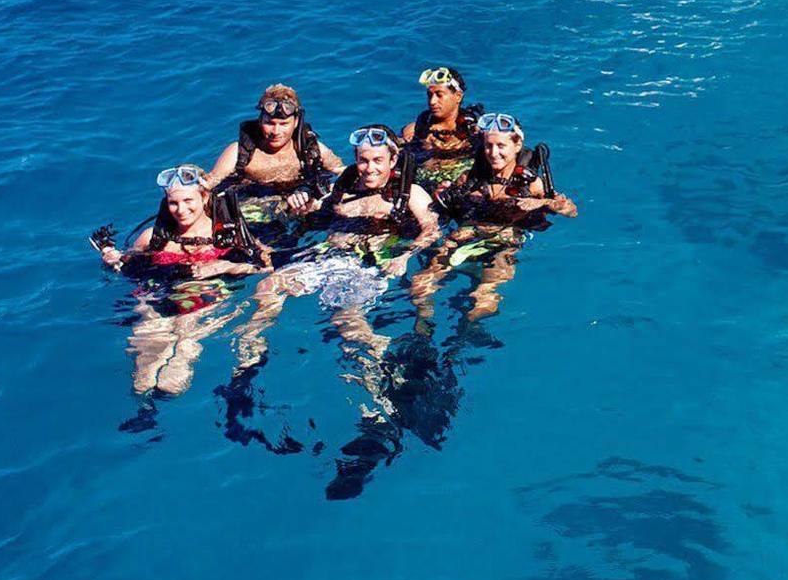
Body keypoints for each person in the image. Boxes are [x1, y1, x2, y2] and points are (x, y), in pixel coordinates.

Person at [231, 125, 440, 368]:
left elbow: (432, 231)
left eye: (377, 160)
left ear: (393, 160)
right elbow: (309, 212)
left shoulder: (412, 194)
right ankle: (253, 341)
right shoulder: (339, 190)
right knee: (268, 285)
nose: (369, 168)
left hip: (366, 264)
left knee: (345, 315)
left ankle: (382, 359)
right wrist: (298, 205)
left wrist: (405, 255)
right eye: (363, 160)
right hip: (327, 257)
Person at [94, 165, 271, 397]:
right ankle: (145, 409)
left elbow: (265, 266)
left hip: (205, 294)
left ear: (204, 196)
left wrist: (226, 266)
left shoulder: (230, 234)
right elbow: (129, 265)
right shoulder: (152, 237)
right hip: (158, 293)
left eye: (189, 200)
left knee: (186, 337)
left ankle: (171, 384)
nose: (181, 210)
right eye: (173, 203)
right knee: (146, 344)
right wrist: (113, 259)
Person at [414, 112, 575, 321]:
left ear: (516, 146)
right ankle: (423, 327)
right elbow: (446, 205)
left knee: (483, 296)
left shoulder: (532, 183)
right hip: (465, 235)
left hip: (505, 242)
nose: (493, 153)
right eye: (489, 146)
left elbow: (571, 211)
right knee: (420, 283)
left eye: (501, 146)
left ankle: (465, 335)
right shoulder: (471, 179)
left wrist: (542, 202)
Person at [205, 84, 343, 244]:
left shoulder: (313, 149)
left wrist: (314, 193)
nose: (276, 132)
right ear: (260, 120)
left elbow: (344, 175)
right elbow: (210, 185)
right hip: (257, 209)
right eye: (270, 123)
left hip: (301, 207)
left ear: (296, 122)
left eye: (284, 124)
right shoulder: (239, 152)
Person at [399, 65, 480, 194]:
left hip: (460, 187)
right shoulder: (414, 130)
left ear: (458, 96)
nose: (432, 101)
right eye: (429, 95)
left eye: (439, 95)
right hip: (423, 188)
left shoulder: (474, 130)